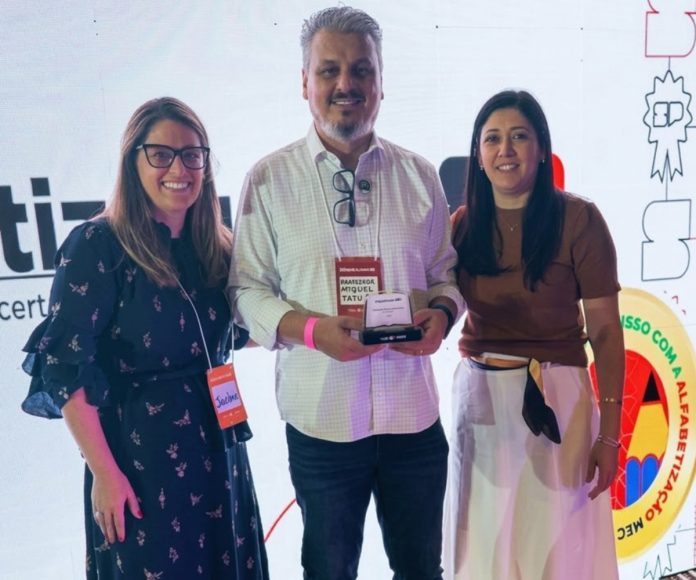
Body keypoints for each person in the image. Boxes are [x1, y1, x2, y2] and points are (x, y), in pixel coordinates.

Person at [227, 6, 464, 580]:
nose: (345, 84)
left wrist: (441, 314)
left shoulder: (420, 175)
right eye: (329, 70)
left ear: (380, 82)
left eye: (361, 70)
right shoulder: (269, 179)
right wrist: (312, 331)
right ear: (304, 82)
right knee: (328, 571)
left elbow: (446, 275)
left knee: (422, 570)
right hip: (322, 422)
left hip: (412, 417)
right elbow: (245, 292)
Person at [21, 97, 269, 579]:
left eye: (192, 155)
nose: (179, 169)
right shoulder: (98, 244)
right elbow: (65, 370)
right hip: (140, 461)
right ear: (132, 161)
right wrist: (104, 473)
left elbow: (240, 332)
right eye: (161, 154)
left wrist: (310, 325)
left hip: (220, 455)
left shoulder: (215, 245)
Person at [442, 89, 624, 580]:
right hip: (480, 403)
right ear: (478, 154)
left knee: (558, 553)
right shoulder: (462, 226)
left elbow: (607, 332)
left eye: (519, 136)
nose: (505, 150)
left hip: (558, 403)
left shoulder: (580, 220)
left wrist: (610, 434)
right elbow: (438, 305)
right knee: (484, 555)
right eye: (492, 139)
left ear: (542, 148)